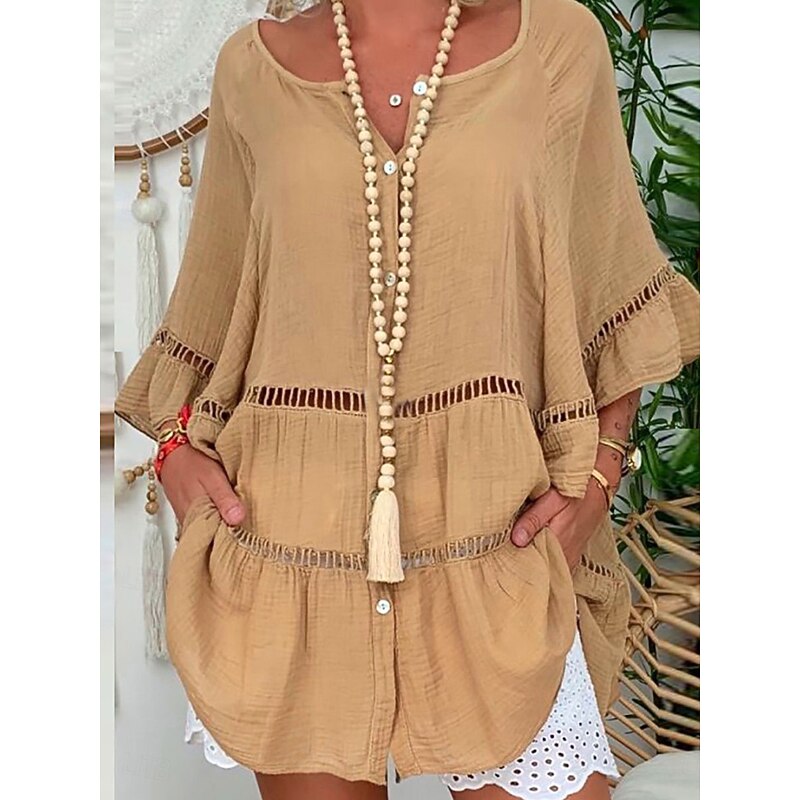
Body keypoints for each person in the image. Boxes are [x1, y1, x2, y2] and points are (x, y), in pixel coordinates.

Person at [115, 1, 701, 798]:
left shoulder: (555, 46)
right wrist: (179, 457)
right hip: (292, 556)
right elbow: (213, 307)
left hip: (500, 548)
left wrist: (598, 479)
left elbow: (609, 284)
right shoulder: (253, 69)